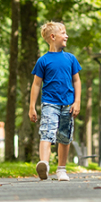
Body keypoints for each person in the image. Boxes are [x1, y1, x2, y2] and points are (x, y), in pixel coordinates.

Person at [29, 21, 82, 181]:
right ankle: (44, 164)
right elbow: (36, 84)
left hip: (68, 104)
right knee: (47, 132)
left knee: (64, 136)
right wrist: (32, 107)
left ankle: (61, 169)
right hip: (49, 103)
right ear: (53, 37)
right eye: (63, 33)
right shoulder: (43, 61)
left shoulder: (71, 59)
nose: (66, 36)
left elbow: (77, 81)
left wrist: (77, 101)